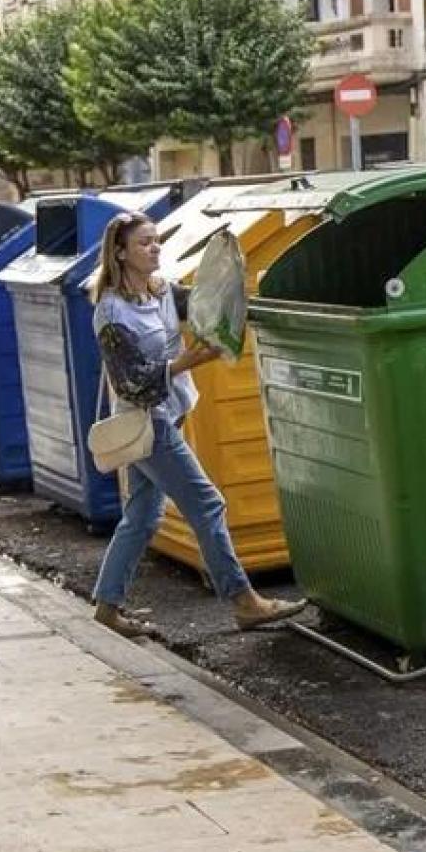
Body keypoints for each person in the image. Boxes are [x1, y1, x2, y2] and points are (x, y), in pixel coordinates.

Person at [89, 210, 305, 637]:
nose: (155, 248)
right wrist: (192, 359)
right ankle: (244, 601)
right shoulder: (111, 314)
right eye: (144, 243)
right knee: (207, 504)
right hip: (148, 424)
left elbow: (211, 304)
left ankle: (108, 607)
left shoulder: (161, 291)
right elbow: (132, 381)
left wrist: (251, 298)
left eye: (156, 240)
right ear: (119, 253)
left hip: (169, 413)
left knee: (142, 517)